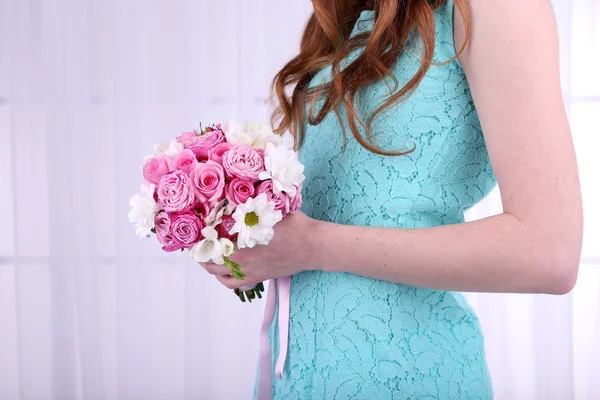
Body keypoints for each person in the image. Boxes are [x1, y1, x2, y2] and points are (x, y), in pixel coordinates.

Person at [200, 0, 583, 398]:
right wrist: (252, 241)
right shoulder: (346, 20)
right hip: (297, 377)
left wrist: (311, 246)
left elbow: (548, 253)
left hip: (411, 377)